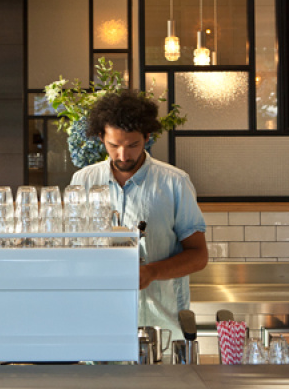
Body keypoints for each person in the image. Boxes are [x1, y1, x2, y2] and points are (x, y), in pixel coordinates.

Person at [69, 90, 207, 338]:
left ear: (147, 137)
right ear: (101, 138)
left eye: (132, 145)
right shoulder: (83, 181)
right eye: (114, 145)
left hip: (162, 328)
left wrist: (152, 272)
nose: (123, 156)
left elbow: (198, 255)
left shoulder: (174, 182)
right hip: (98, 322)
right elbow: (71, 248)